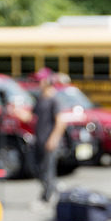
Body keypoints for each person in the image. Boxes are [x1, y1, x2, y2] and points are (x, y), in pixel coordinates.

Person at [31, 67, 68, 204]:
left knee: (48, 170)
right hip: (39, 140)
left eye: (40, 80)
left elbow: (61, 122)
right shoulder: (40, 99)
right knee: (37, 169)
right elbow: (30, 117)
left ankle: (47, 197)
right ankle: (53, 188)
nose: (38, 83)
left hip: (49, 141)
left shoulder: (54, 100)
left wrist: (53, 139)